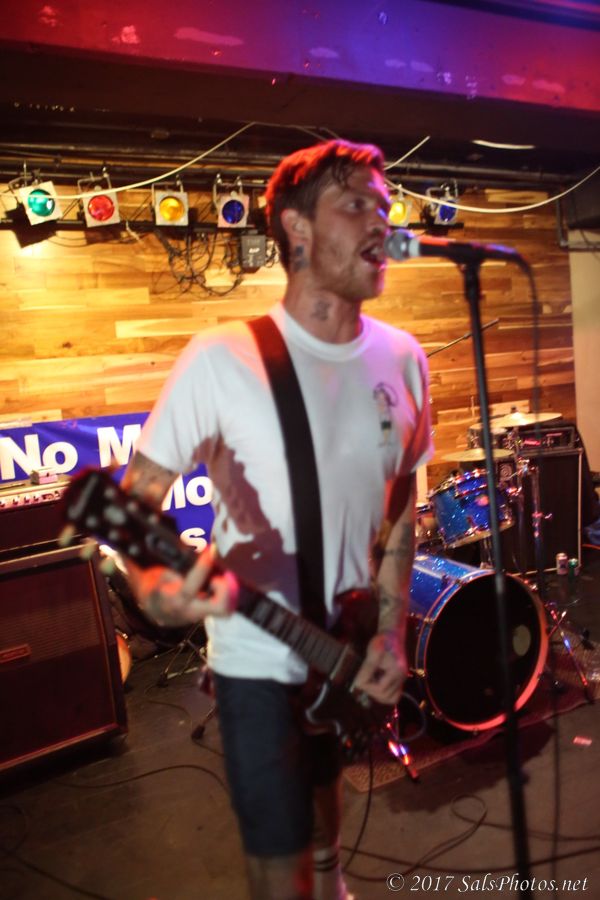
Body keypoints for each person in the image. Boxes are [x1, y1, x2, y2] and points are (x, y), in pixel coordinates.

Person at [122, 139, 433, 900]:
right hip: (255, 659)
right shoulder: (222, 358)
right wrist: (157, 590)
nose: (381, 223)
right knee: (276, 870)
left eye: (384, 207)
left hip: (345, 644)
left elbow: (399, 513)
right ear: (295, 228)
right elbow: (132, 507)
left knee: (325, 824)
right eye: (355, 204)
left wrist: (390, 633)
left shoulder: (404, 358)